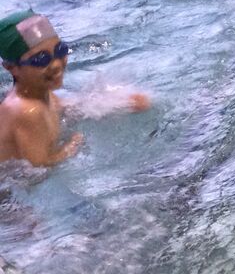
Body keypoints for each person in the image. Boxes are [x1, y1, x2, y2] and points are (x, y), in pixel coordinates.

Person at [0, 10, 150, 167]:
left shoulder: (40, 94)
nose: (56, 64)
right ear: (12, 67)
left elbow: (66, 109)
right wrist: (70, 148)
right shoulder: (27, 111)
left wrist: (118, 104)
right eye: (41, 59)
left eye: (60, 50)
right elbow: (37, 170)